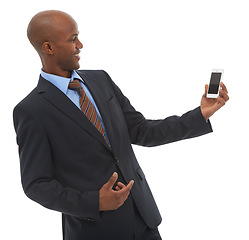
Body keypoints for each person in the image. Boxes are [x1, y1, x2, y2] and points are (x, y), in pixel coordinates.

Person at [13, 10, 229, 240]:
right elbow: (37, 184)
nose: (81, 45)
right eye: (73, 39)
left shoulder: (100, 80)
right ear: (49, 48)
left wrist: (200, 114)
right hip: (95, 231)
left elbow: (141, 130)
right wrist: (94, 202)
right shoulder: (32, 110)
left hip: (143, 218)